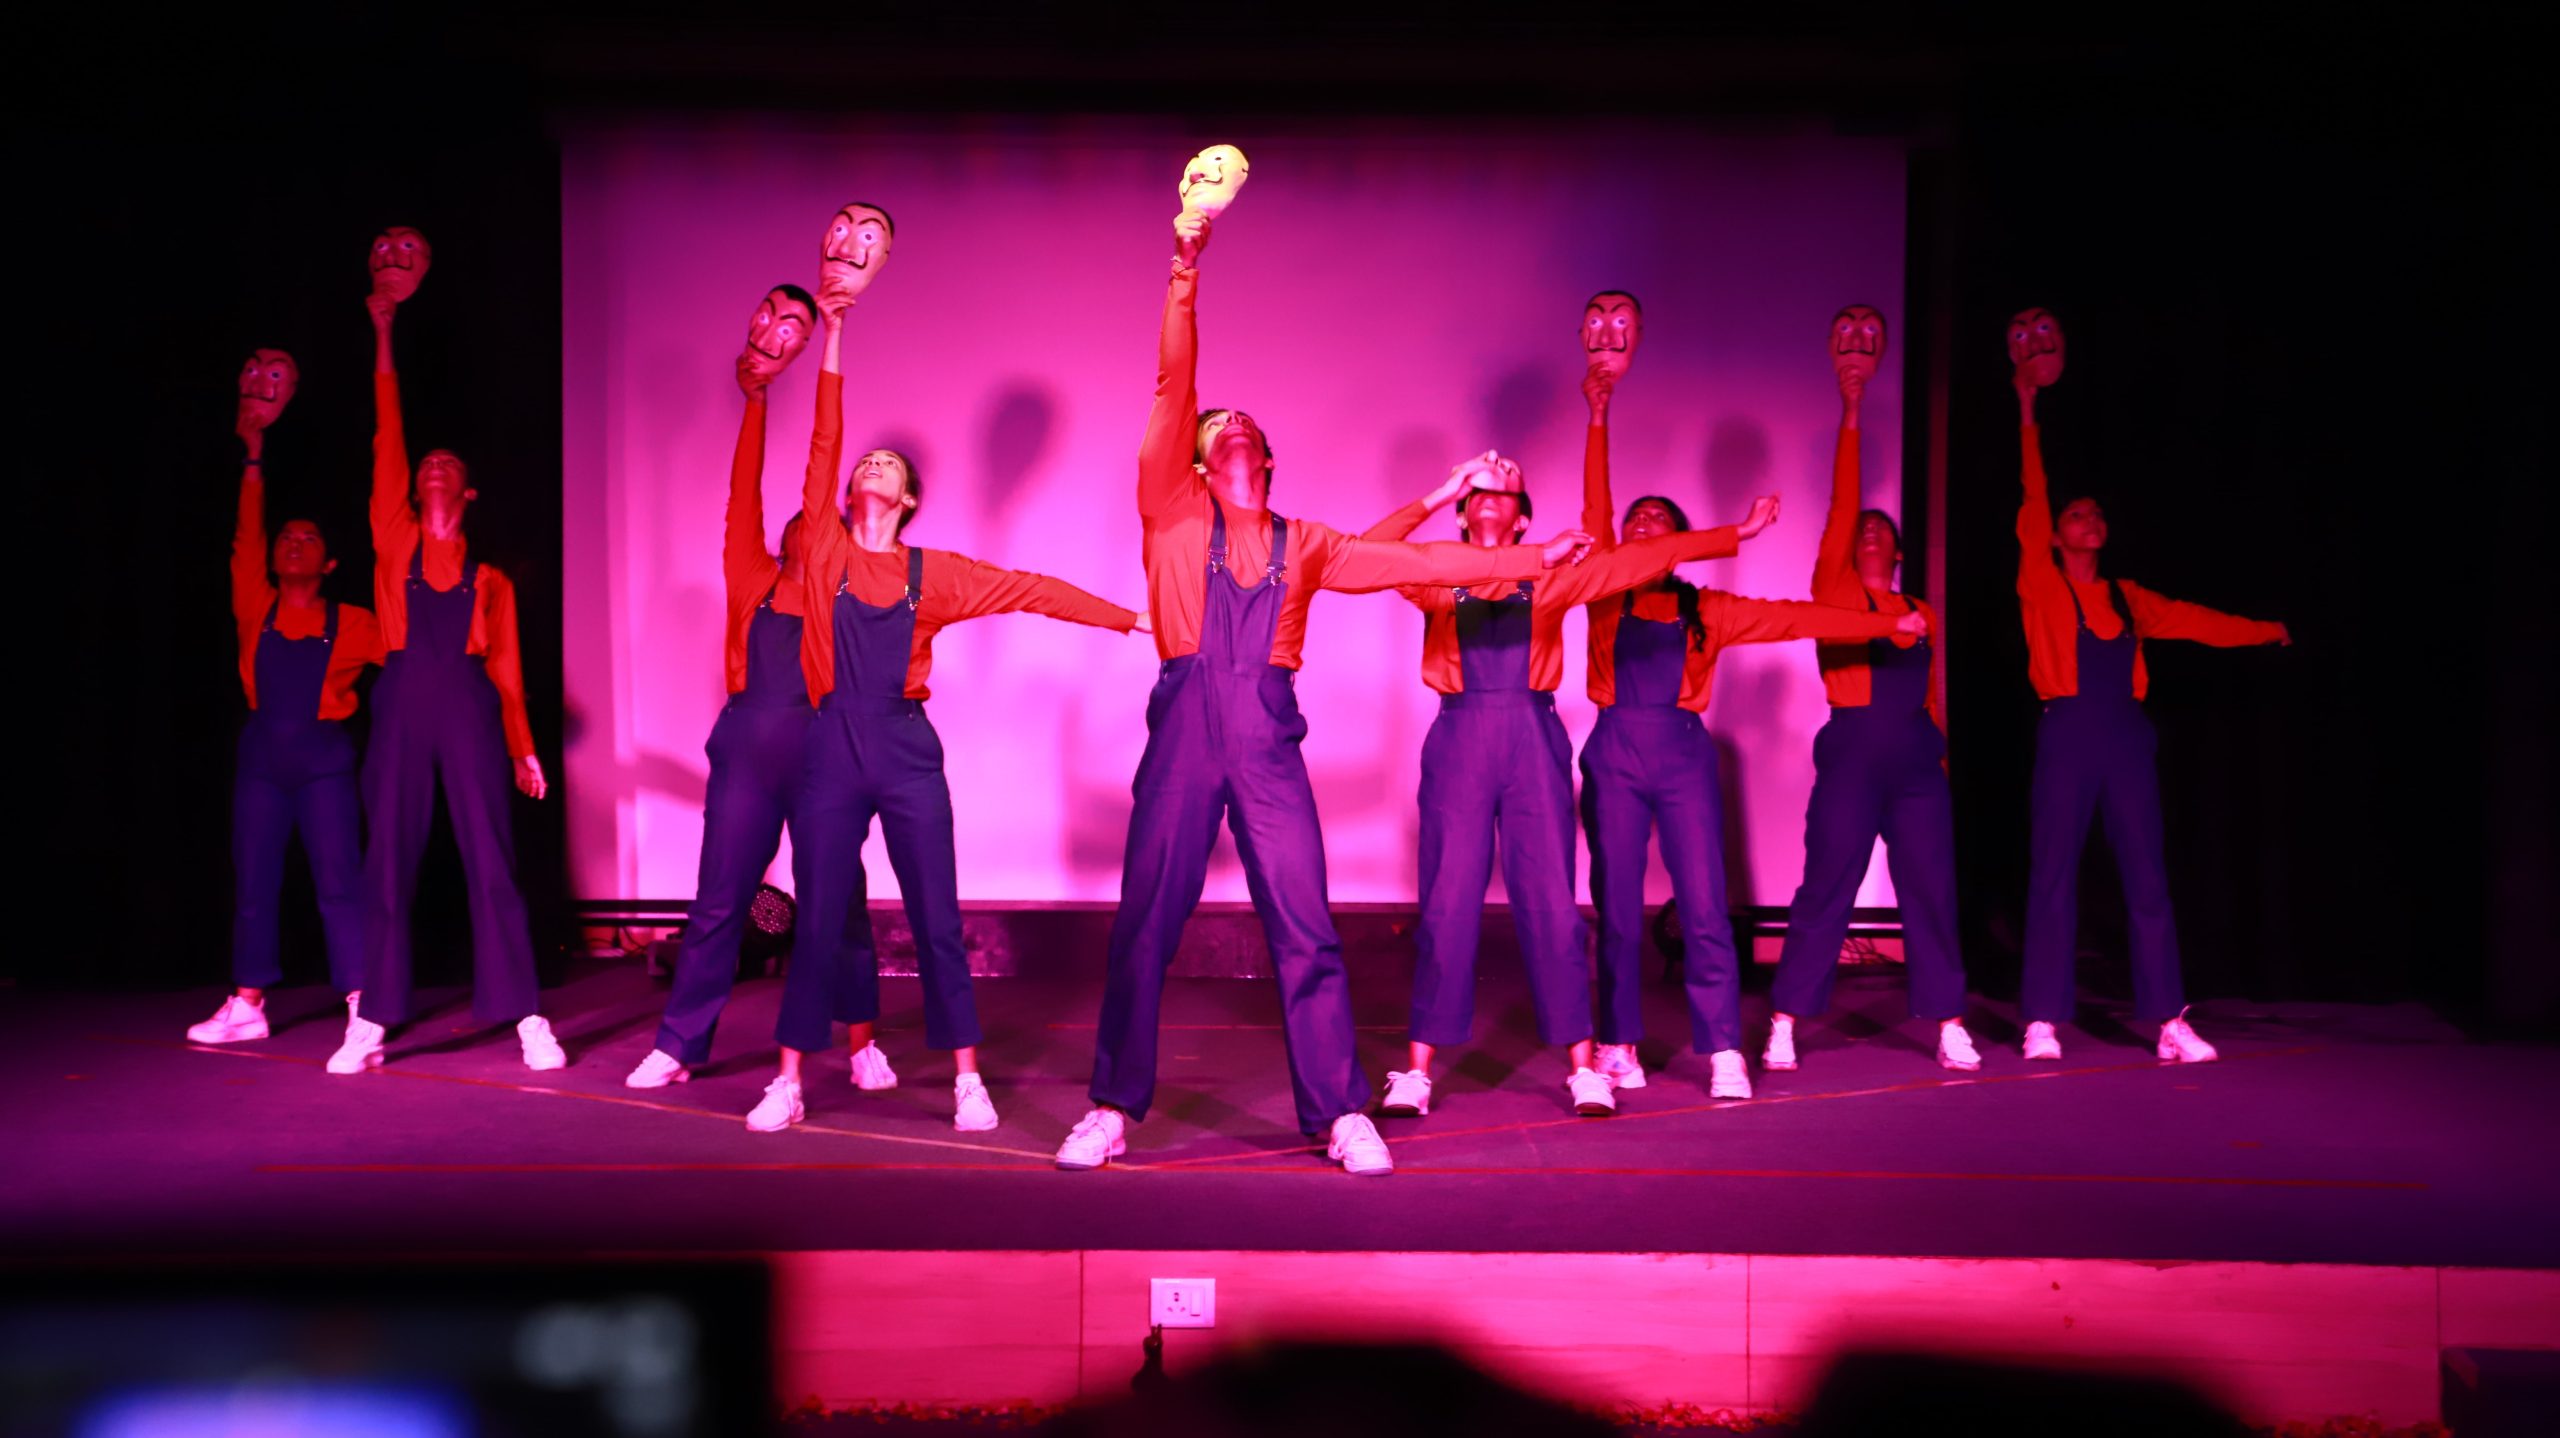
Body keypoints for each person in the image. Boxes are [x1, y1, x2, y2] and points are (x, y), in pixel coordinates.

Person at [1057, 198, 1595, 1176]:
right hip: (1184, 728)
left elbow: (1417, 564)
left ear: (1266, 457)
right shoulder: (1170, 513)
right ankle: (1110, 1107)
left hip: (1266, 737)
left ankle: (1340, 1112)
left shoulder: (1305, 544)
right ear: (1194, 462)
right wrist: (1185, 266)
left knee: (1307, 928)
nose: (1228, 427)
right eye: (1214, 427)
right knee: (1143, 925)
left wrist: (1526, 556)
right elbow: (1175, 381)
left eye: (1244, 426)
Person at [745, 256, 1148, 1134]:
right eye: (867, 461)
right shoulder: (824, 552)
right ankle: (788, 1081)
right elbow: (823, 436)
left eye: (889, 464)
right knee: (818, 921)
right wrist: (837, 331)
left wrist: (1129, 619)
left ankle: (968, 1079)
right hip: (830, 747)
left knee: (936, 916)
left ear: (909, 498)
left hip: (904, 750)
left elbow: (1032, 588)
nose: (872, 465)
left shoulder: (937, 575)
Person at [1360, 452, 1775, 1117]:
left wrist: (1738, 534)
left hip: (1532, 739)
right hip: (1460, 739)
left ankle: (1583, 1068)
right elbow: (1368, 554)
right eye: (1477, 490)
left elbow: (1644, 557)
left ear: (1523, 519)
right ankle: (1416, 1072)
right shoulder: (1438, 577)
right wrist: (1440, 490)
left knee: (1552, 905)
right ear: (1463, 515)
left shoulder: (1550, 579)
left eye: (1506, 486)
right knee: (1446, 904)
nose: (1490, 489)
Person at [1579, 309, 1924, 1102]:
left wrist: (1887, 623)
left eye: (1660, 520)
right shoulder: (1603, 596)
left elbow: (1801, 617)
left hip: (1681, 752)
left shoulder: (1708, 609)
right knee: (1618, 908)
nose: (1643, 525)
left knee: (1705, 903)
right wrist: (1598, 415)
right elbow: (1597, 511)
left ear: (1682, 542)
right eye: (1636, 520)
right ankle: (1619, 1044)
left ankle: (1722, 1048)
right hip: (1614, 748)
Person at [2008, 307, 2288, 1064]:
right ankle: (2042, 1018)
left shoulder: (2129, 597)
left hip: (2125, 735)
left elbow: (2199, 620)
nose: (2089, 518)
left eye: (2097, 512)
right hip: (2067, 729)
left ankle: (2169, 1019)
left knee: (2147, 875)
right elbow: (2033, 493)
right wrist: (2027, 407)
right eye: (2077, 512)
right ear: (2056, 532)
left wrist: (2266, 630)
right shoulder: (2042, 583)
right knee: (2054, 875)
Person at [626, 285, 884, 1089]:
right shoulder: (753, 574)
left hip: (822, 757)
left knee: (838, 898)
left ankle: (862, 1044)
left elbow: (823, 453)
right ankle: (678, 1044)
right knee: (719, 899)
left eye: (823, 516)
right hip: (746, 750)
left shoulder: (838, 597)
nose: (810, 519)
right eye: (801, 517)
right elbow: (745, 486)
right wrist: (756, 401)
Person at [329, 273, 562, 1075]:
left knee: (491, 856)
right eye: (425, 460)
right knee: (388, 857)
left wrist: (523, 749)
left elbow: (508, 672)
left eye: (447, 461)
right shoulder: (392, 542)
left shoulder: (489, 579)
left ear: (468, 490)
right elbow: (387, 433)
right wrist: (383, 334)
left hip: (466, 704)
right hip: (401, 698)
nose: (431, 464)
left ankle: (526, 1013)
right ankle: (372, 1018)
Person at [1766, 306, 1979, 1073]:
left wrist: (1938, 755)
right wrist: (1851, 407)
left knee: (1931, 889)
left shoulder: (1920, 610)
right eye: (1863, 528)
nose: (1870, 533)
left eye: (1881, 530)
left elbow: (1933, 695)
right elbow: (1842, 502)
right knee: (1827, 884)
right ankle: (1786, 1020)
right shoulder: (1835, 591)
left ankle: (1949, 1020)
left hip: (1917, 760)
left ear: (1898, 549)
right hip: (1854, 751)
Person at [189, 351, 387, 1045]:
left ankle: (362, 1000)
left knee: (339, 881)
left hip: (325, 761)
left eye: (309, 538)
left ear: (329, 562)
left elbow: (409, 651)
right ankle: (247, 1003)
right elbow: (247, 532)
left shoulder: (356, 623)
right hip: (262, 759)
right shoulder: (255, 603)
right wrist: (253, 454)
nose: (294, 543)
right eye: (287, 537)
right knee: (254, 881)